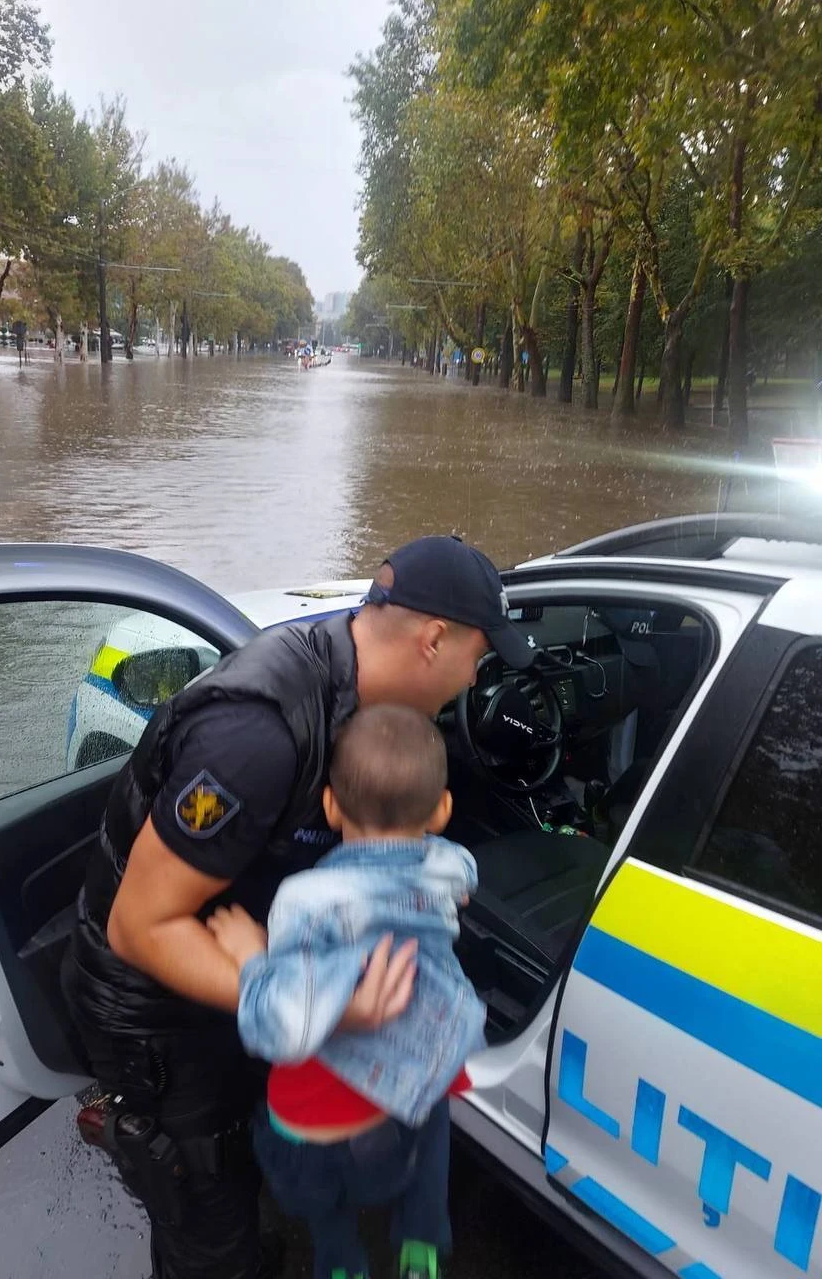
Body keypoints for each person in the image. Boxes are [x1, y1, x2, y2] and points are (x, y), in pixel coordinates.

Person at [61, 534, 533, 1279]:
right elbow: (139, 925)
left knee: (242, 1166)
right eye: (479, 655)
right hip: (156, 1011)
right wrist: (321, 1006)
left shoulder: (355, 674)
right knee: (204, 1220)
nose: (478, 677)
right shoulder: (258, 734)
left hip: (235, 967)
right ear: (434, 639)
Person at [207, 704, 485, 1279]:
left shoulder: (302, 898)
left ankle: (341, 1263)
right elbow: (464, 876)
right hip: (400, 1131)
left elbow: (276, 1025)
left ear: (331, 807)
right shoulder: (452, 866)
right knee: (434, 1112)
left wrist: (248, 952)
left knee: (292, 1152)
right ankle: (421, 1245)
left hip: (320, 1143)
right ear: (443, 809)